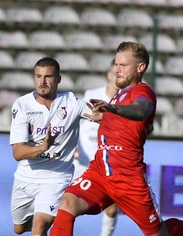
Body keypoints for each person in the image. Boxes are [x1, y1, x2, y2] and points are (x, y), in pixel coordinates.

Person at [50, 41, 183, 236]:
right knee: (67, 204)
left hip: (129, 179)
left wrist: (112, 109)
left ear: (140, 67)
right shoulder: (119, 96)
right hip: (100, 172)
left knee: (159, 234)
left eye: (123, 65)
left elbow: (142, 110)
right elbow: (131, 124)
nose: (117, 70)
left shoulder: (142, 92)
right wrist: (103, 117)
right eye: (116, 64)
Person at [9, 57, 92, 235]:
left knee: (39, 227)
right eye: (38, 76)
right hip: (25, 178)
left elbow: (100, 115)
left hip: (56, 178)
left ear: (58, 79)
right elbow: (17, 152)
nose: (42, 81)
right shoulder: (22, 105)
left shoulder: (72, 103)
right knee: (19, 228)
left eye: (48, 77)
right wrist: (42, 147)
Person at [73, 59, 120, 236]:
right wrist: (73, 146)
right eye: (114, 72)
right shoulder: (92, 94)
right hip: (82, 162)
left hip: (108, 165)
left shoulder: (124, 103)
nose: (117, 76)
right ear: (109, 75)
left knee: (112, 208)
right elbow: (76, 120)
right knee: (67, 205)